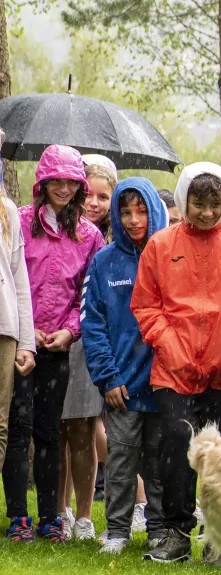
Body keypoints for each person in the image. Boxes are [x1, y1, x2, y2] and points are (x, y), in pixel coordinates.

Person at [132, 162, 221, 564]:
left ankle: (220, 537)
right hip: (174, 370)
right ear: (184, 199)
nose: (207, 212)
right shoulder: (160, 245)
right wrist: (174, 349)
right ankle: (174, 532)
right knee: (176, 444)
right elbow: (145, 306)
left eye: (215, 203)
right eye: (198, 203)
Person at [4, 144, 105, 542]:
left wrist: (69, 331)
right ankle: (18, 516)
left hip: (59, 348)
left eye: (71, 181)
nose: (63, 189)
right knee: (16, 428)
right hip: (20, 345)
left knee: (49, 433)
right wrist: (27, 332)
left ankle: (50, 518)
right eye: (56, 181)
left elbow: (88, 294)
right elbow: (10, 281)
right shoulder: (19, 222)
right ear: (41, 182)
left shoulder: (88, 235)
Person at [81, 178, 168, 553]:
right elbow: (92, 323)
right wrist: (107, 377)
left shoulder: (170, 253)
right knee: (120, 460)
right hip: (121, 385)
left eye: (142, 210)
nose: (134, 220)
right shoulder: (104, 261)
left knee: (161, 462)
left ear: (154, 209)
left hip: (165, 382)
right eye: (126, 211)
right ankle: (116, 531)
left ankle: (161, 530)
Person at [56, 160, 117, 540]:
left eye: (102, 196)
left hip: (89, 337)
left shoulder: (114, 235)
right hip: (54, 334)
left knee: (84, 426)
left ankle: (83, 514)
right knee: (58, 429)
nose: (93, 202)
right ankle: (58, 510)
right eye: (88, 194)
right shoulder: (62, 231)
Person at [0, 164, 35, 496]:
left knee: (0, 422)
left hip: (4, 327)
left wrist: (26, 341)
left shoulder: (8, 210)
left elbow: (19, 280)